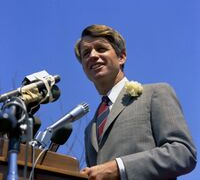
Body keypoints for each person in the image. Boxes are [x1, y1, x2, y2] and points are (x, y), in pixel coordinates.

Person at [74, 24, 197, 180]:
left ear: (121, 57)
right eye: (86, 53)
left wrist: (119, 167)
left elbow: (183, 153)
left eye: (101, 49)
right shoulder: (90, 129)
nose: (92, 55)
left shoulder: (155, 93)